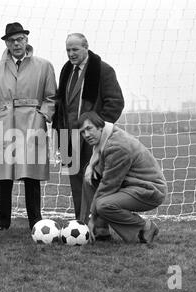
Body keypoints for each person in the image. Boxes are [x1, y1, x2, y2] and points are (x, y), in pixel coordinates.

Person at [0, 22, 57, 231]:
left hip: (33, 123)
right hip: (4, 124)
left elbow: (51, 97)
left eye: (20, 39)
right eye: (12, 40)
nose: (16, 44)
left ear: (26, 40)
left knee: (31, 174)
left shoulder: (44, 66)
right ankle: (2, 222)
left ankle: (36, 220)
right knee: (5, 175)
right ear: (6, 43)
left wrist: (42, 115)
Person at [52, 33, 124, 220]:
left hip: (91, 138)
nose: (71, 54)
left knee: (93, 181)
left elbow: (116, 103)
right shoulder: (66, 70)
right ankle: (81, 223)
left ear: (86, 47)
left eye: (75, 49)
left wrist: (97, 130)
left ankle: (99, 225)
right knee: (76, 184)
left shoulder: (103, 70)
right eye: (68, 50)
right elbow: (62, 104)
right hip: (68, 137)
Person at [77, 111, 167, 243]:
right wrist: (90, 167)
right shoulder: (107, 136)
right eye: (82, 132)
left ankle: (145, 227)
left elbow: (109, 185)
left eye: (89, 129)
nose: (86, 135)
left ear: (100, 126)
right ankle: (101, 230)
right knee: (91, 177)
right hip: (131, 185)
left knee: (104, 205)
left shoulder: (116, 146)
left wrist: (92, 218)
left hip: (149, 189)